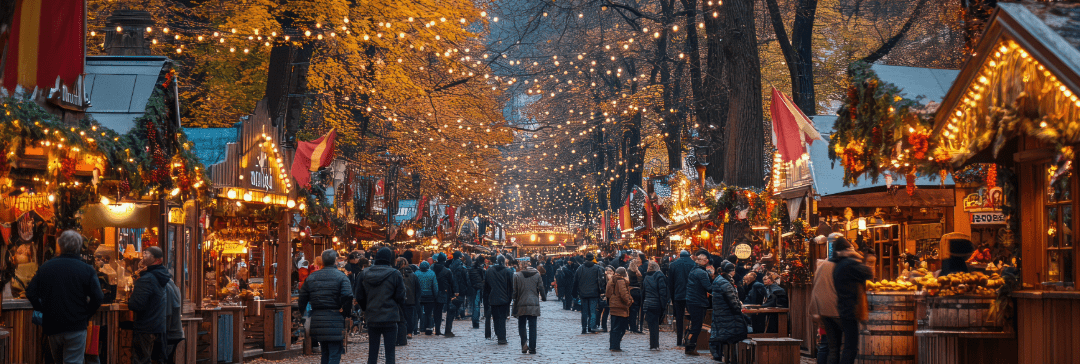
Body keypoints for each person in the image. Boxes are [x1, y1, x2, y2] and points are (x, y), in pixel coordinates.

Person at [26, 230, 104, 364]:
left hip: (53, 325)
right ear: (79, 247)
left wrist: (42, 310)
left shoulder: (46, 267)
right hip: (76, 326)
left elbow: (30, 293)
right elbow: (98, 297)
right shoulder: (87, 269)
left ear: (60, 245)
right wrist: (86, 315)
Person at [299, 249, 354, 364]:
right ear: (335, 261)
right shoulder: (341, 277)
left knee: (325, 351)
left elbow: (302, 298)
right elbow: (348, 296)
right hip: (335, 317)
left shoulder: (312, 277)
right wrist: (345, 313)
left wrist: (304, 315)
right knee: (334, 353)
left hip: (318, 317)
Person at [355, 247, 405, 364]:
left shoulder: (364, 273)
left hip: (372, 315)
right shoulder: (395, 274)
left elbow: (359, 296)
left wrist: (366, 308)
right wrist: (395, 306)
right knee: (390, 354)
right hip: (390, 316)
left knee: (372, 352)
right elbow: (401, 296)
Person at [830, 236, 873, 364]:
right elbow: (868, 273)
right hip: (851, 308)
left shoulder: (838, 265)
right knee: (851, 347)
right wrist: (857, 256)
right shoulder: (848, 264)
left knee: (844, 346)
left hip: (843, 307)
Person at [128, 246, 170, 364]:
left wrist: (131, 298)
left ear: (157, 260)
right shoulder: (160, 276)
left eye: (146, 255)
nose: (143, 258)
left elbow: (136, 305)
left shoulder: (147, 279)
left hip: (145, 327)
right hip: (158, 326)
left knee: (141, 360)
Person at [808, 234, 842, 364]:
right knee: (829, 345)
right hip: (831, 310)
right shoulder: (834, 266)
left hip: (822, 309)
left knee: (826, 344)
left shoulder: (822, 266)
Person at [709, 261, 746, 363]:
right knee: (731, 334)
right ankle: (731, 357)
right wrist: (738, 307)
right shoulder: (725, 283)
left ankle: (719, 354)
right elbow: (732, 301)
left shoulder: (719, 280)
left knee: (720, 334)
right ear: (732, 271)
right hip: (727, 314)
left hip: (721, 312)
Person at [512, 259, 546, 354]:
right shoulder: (537, 275)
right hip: (533, 303)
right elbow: (541, 287)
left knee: (522, 325)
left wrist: (514, 298)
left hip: (521, 303)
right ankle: (532, 348)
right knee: (533, 326)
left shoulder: (517, 275)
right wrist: (544, 297)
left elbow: (514, 291)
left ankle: (524, 343)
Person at [684, 252, 714, 356]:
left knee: (694, 325)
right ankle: (690, 347)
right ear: (704, 261)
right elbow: (709, 287)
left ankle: (689, 345)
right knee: (696, 326)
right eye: (706, 260)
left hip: (692, 300)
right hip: (698, 302)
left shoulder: (694, 270)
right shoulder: (701, 272)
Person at [667, 250, 695, 346]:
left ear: (680, 255)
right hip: (691, 295)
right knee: (693, 318)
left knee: (679, 319)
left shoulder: (673, 265)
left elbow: (670, 283)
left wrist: (672, 297)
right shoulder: (693, 264)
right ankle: (691, 340)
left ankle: (679, 340)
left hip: (678, 295)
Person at [484, 255, 514, 345]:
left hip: (493, 298)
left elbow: (486, 287)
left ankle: (498, 334)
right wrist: (510, 298)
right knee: (502, 318)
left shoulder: (489, 271)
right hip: (504, 298)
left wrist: (486, 300)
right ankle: (502, 337)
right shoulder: (508, 271)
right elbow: (511, 286)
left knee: (496, 317)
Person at [572, 253, 604, 334]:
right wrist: (602, 291)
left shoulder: (580, 268)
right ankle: (591, 327)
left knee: (584, 312)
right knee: (593, 311)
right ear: (593, 258)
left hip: (583, 293)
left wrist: (575, 292)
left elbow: (575, 281)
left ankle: (584, 328)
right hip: (594, 293)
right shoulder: (597, 268)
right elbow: (601, 281)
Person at [641, 261, 668, 350]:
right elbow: (662, 292)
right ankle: (655, 345)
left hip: (648, 304)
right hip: (656, 303)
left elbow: (644, 292)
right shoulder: (660, 276)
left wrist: (643, 303)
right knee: (655, 325)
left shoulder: (646, 277)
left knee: (651, 325)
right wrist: (664, 305)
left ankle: (652, 345)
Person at [606, 267, 633, 352]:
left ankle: (612, 345)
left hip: (613, 306)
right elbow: (623, 294)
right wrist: (629, 301)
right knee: (621, 328)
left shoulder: (611, 280)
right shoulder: (621, 281)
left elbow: (608, 293)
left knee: (614, 327)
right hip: (621, 307)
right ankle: (615, 345)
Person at [431, 253, 458, 337]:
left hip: (432, 293)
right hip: (443, 293)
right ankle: (443, 330)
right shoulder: (447, 271)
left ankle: (435, 329)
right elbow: (452, 283)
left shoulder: (431, 269)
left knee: (435, 311)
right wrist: (453, 293)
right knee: (442, 311)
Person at [395, 258, 420, 342]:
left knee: (401, 318)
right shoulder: (413, 275)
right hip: (411, 300)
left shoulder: (396, 274)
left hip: (399, 300)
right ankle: (409, 333)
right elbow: (418, 289)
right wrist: (416, 300)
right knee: (410, 318)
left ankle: (401, 334)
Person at [164, 274, 184, 363]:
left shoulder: (167, 287)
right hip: (175, 331)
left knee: (167, 359)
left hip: (170, 332)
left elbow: (168, 312)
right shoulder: (173, 285)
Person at [414, 261, 438, 335]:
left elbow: (414, 285)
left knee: (417, 313)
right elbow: (435, 286)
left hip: (419, 296)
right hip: (430, 296)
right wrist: (436, 296)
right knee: (429, 313)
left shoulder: (416, 273)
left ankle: (416, 329)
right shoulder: (432, 273)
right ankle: (428, 328)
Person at [626, 258, 643, 334]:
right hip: (638, 292)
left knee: (630, 310)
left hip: (630, 291)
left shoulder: (628, 272)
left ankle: (630, 326)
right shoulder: (638, 272)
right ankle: (635, 327)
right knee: (636, 311)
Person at [468, 257, 486, 329]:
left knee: (473, 305)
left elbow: (468, 279)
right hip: (478, 288)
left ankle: (474, 321)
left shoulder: (470, 269)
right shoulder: (481, 270)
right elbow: (483, 279)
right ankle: (476, 322)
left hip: (472, 288)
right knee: (476, 306)